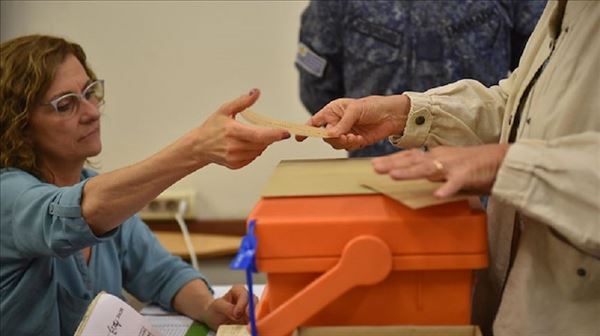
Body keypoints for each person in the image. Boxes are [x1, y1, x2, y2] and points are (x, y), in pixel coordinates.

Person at [299, 1, 599, 335]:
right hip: (388, 196)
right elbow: (521, 97)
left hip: (495, 219)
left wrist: (506, 164)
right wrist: (407, 112)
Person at [0, 35, 291, 335]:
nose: (91, 112)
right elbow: (79, 213)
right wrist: (197, 149)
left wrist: (209, 306)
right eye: (65, 105)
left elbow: (163, 274)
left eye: (90, 92)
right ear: (20, 125)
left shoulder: (98, 191)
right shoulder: (8, 194)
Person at [296, 0, 546, 158]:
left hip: (476, 188)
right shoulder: (333, 6)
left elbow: (535, 83)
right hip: (374, 183)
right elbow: (319, 92)